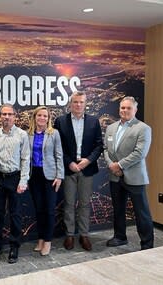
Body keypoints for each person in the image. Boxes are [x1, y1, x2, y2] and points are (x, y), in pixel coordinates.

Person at [54, 91, 103, 251]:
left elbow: (99, 145)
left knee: (84, 204)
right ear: (70, 104)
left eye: (81, 102)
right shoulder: (61, 121)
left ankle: (84, 235)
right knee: (68, 203)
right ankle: (69, 235)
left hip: (86, 169)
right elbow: (58, 146)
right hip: (69, 169)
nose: (78, 105)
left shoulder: (94, 121)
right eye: (75, 102)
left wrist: (87, 161)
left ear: (85, 103)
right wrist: (69, 163)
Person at [104, 96, 154, 250]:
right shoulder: (111, 128)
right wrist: (111, 165)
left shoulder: (143, 128)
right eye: (122, 108)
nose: (124, 110)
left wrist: (119, 165)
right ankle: (120, 237)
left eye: (128, 108)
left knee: (141, 212)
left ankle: (147, 244)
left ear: (135, 110)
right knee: (118, 209)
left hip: (135, 177)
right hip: (115, 176)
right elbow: (106, 149)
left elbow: (140, 153)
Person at [0, 104, 30, 264]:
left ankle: (14, 246)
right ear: (0, 116)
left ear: (15, 116)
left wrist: (23, 180)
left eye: (9, 114)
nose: (6, 117)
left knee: (15, 214)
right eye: (3, 114)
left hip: (15, 178)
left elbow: (26, 159)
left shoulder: (22, 135)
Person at [27, 106, 64, 256]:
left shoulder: (54, 134)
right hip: (34, 175)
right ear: (35, 117)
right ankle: (40, 239)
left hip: (50, 176)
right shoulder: (28, 134)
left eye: (45, 116)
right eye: (39, 115)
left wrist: (59, 176)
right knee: (39, 209)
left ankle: (48, 241)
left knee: (49, 210)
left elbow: (59, 155)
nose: (42, 118)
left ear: (48, 119)